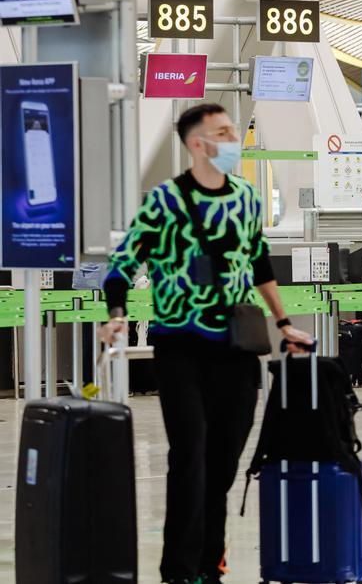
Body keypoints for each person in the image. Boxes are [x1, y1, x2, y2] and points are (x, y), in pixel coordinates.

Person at [99, 103, 311, 584]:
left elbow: (259, 265)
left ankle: (209, 563)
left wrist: (283, 323)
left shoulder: (246, 197)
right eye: (223, 132)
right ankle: (180, 569)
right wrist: (116, 316)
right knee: (189, 454)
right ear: (198, 144)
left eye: (232, 129)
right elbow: (122, 263)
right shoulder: (164, 202)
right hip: (180, 349)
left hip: (236, 350)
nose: (234, 137)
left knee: (223, 462)